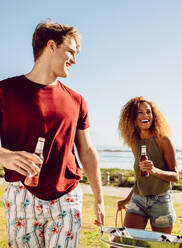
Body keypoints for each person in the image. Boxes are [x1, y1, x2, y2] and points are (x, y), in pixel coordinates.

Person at [0, 20, 105, 247]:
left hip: (67, 198)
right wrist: (5, 156)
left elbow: (86, 151)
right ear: (51, 46)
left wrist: (99, 198)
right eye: (70, 51)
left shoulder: (77, 100)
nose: (74, 60)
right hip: (20, 196)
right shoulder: (5, 91)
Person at [116, 96, 179, 234]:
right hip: (138, 199)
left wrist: (154, 170)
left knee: (160, 245)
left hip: (161, 200)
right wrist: (127, 199)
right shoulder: (134, 142)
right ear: (133, 118)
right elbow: (140, 178)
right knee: (126, 241)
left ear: (153, 115)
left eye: (148, 112)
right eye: (140, 112)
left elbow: (175, 176)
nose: (145, 115)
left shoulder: (163, 140)